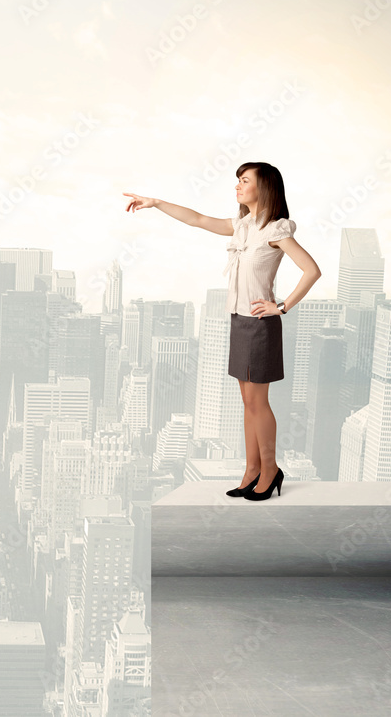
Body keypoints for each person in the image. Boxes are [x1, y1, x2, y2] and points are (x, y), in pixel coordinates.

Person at [123, 162, 322, 501]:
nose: (237, 186)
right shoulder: (243, 226)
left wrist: (282, 306)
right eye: (238, 181)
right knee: (247, 402)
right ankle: (252, 469)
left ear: (265, 188)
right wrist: (156, 203)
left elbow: (312, 270)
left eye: (244, 181)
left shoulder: (276, 230)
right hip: (239, 321)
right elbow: (197, 219)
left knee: (259, 402)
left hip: (261, 326)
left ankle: (271, 469)